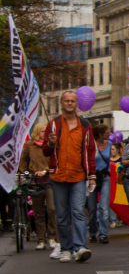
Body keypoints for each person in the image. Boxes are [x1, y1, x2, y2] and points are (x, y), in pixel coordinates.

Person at [42, 91, 95, 263]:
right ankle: (65, 248)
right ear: (62, 104)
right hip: (57, 175)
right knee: (62, 214)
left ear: (77, 103)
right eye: (67, 101)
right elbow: (45, 151)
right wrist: (50, 143)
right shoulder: (53, 124)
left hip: (78, 175)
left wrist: (92, 175)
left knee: (78, 211)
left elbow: (90, 151)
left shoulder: (85, 125)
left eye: (73, 101)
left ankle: (80, 247)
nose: (70, 103)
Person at [18, 123, 57, 251]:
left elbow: (55, 160)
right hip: (35, 182)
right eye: (42, 131)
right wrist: (22, 173)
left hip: (49, 180)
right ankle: (41, 240)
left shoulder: (50, 144)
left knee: (51, 209)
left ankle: (51, 237)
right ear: (36, 132)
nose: (44, 133)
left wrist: (46, 171)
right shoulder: (30, 144)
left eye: (45, 131)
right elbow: (23, 160)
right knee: (38, 212)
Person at [87, 124, 113, 244]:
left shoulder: (109, 144)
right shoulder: (91, 145)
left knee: (104, 207)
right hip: (92, 178)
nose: (109, 134)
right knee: (92, 208)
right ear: (99, 134)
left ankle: (103, 234)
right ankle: (93, 232)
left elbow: (109, 160)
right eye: (107, 132)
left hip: (105, 177)